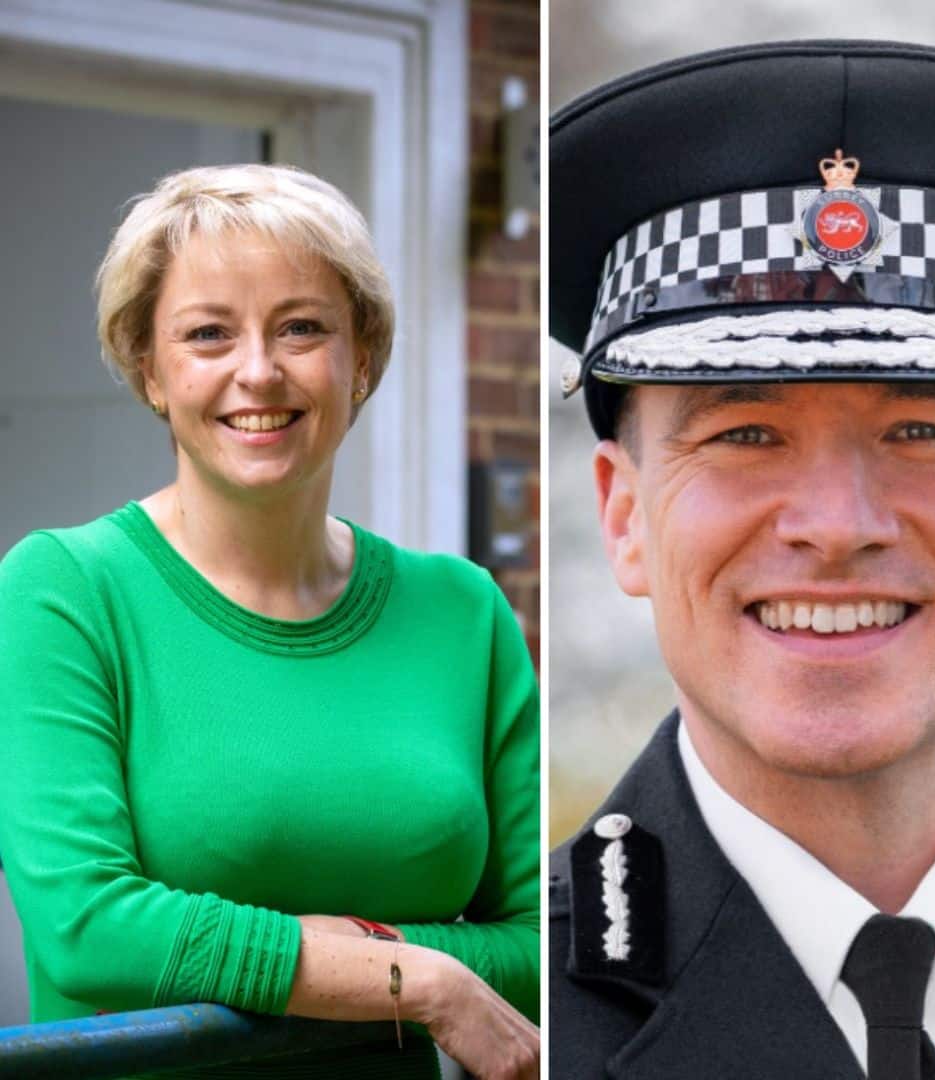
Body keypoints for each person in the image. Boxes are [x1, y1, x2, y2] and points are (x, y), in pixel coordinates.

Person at [549, 41, 935, 1079]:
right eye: (744, 434)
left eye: (922, 430)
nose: (836, 526)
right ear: (625, 517)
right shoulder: (516, 1019)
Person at [0, 164, 539, 1080]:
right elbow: (86, 929)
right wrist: (422, 978)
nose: (258, 370)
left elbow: (541, 946)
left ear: (361, 357)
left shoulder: (464, 611)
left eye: (301, 327)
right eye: (208, 333)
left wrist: (355, 949)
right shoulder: (61, 590)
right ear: (151, 369)